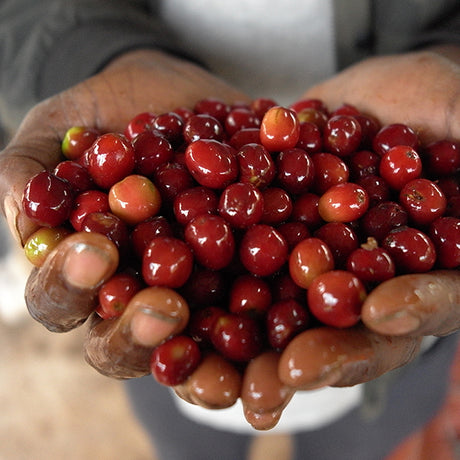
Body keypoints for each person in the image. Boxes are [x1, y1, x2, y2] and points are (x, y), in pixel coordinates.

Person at [0, 1, 459, 459]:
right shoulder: (175, 196)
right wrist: (83, 54)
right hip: (175, 333)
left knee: (364, 443)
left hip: (394, 369)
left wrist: (450, 55)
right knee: (184, 430)